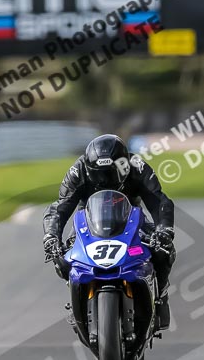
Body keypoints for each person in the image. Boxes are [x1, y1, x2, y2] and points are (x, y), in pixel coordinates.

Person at [43, 134, 176, 329]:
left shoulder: (137, 166)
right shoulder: (77, 171)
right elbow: (59, 208)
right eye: (99, 174)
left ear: (123, 165)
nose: (105, 180)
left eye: (110, 173)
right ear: (89, 169)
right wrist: (51, 237)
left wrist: (164, 230)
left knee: (163, 251)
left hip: (131, 219)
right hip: (89, 221)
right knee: (63, 258)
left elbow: (159, 202)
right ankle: (77, 298)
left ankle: (161, 296)